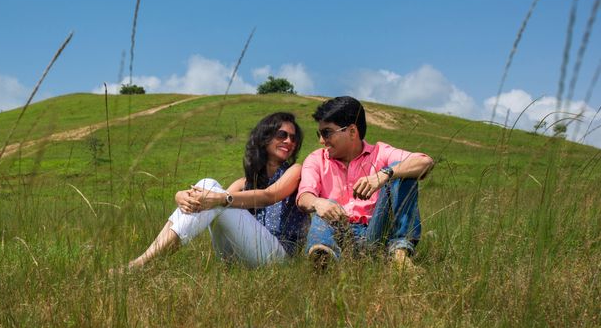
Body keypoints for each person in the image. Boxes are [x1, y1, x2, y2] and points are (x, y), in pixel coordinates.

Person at [121, 112, 308, 270]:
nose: (289, 141)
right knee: (210, 187)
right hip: (240, 256)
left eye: (293, 138)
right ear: (265, 137)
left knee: (217, 195)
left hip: (278, 258)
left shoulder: (295, 171)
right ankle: (148, 261)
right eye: (282, 135)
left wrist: (216, 197)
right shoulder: (246, 182)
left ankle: (141, 264)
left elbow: (268, 196)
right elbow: (212, 201)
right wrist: (180, 196)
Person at [296, 96, 435, 269]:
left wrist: (385, 174)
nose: (321, 141)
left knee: (401, 169)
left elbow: (425, 161)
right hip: (337, 232)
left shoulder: (380, 152)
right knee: (326, 205)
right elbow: (304, 197)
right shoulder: (316, 159)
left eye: (327, 133)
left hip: (375, 232)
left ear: (352, 131)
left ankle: (400, 255)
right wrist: (318, 202)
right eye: (320, 134)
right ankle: (324, 257)